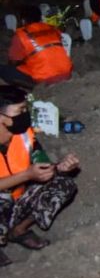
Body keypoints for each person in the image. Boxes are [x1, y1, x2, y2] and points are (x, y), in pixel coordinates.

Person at [0, 86, 79, 266]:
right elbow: (27, 174)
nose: (25, 115)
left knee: (63, 185)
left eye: (25, 109)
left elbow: (41, 164)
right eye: (19, 111)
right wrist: (27, 175)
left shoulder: (25, 135)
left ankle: (18, 231)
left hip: (17, 199)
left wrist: (59, 167)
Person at [8, 6, 73, 85]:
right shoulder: (53, 29)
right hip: (66, 73)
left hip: (44, 78)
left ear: (23, 21)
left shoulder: (21, 35)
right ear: (40, 18)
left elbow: (14, 61)